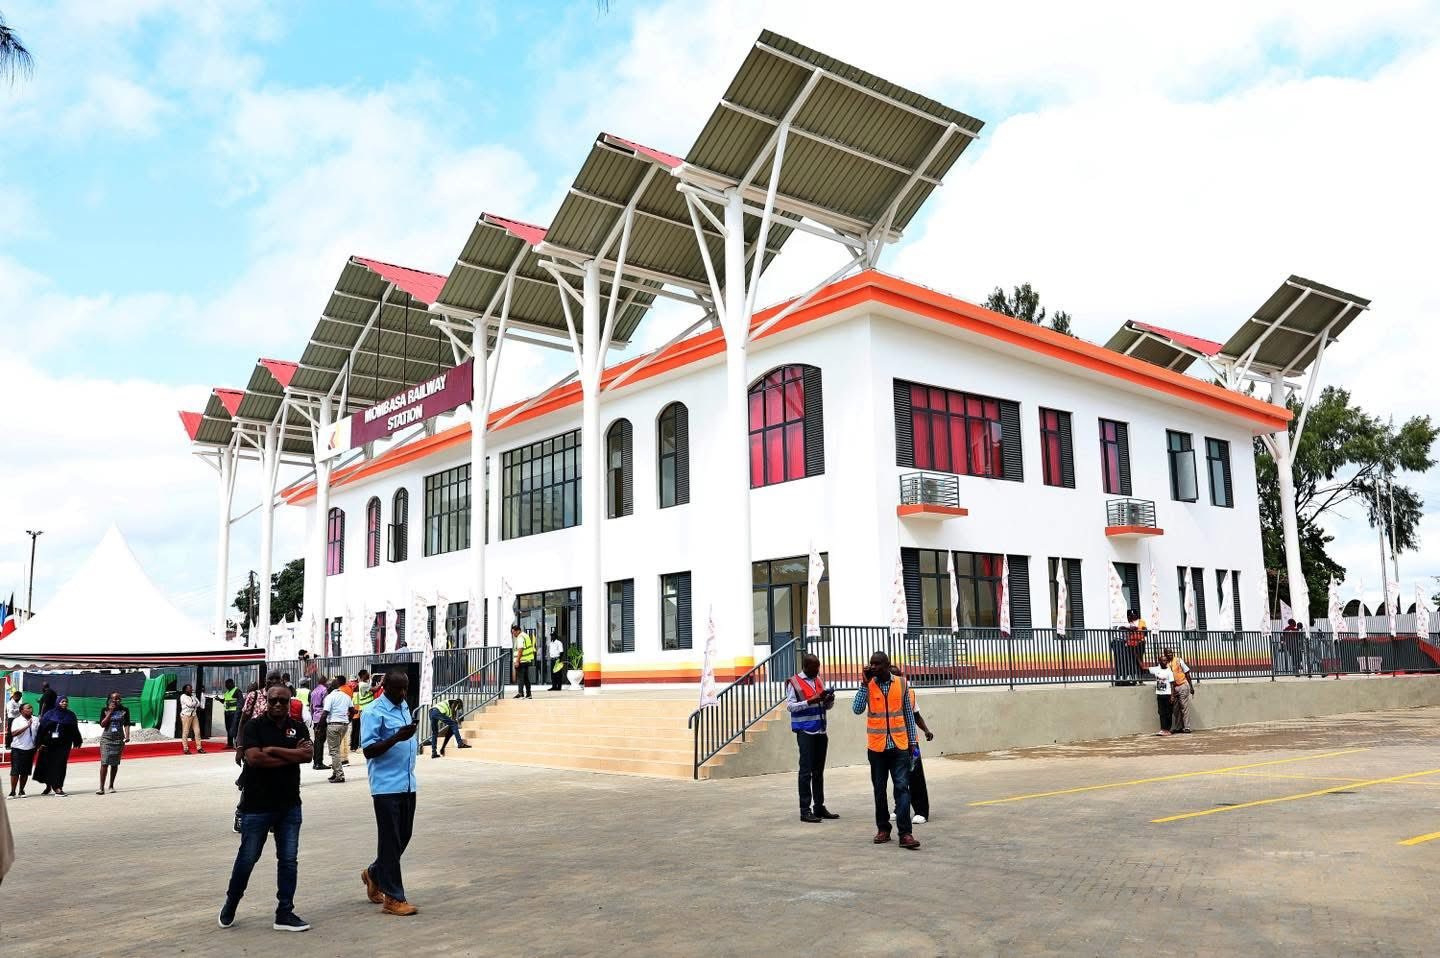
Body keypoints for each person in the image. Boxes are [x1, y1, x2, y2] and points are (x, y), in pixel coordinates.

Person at [218, 683, 313, 933]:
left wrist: (272, 750)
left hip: (290, 805)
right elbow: (254, 759)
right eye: (273, 701)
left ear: (290, 701)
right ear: (266, 701)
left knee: (289, 860)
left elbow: (307, 756)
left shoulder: (298, 726)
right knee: (247, 859)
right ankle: (232, 902)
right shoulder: (254, 726)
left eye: (283, 700)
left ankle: (285, 912)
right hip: (257, 806)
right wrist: (289, 754)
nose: (278, 705)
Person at [359, 668, 420, 916]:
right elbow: (368, 750)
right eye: (397, 689)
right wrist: (396, 738)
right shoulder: (373, 711)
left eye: (405, 688)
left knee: (403, 837)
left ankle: (374, 873)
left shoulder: (404, 706)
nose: (403, 693)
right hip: (385, 787)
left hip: (407, 784)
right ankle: (393, 898)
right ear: (385, 687)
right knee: (390, 841)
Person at [851, 652, 920, 850]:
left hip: (899, 745)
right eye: (871, 664)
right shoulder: (868, 684)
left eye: (877, 664)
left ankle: (905, 833)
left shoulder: (901, 683)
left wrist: (913, 742)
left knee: (902, 789)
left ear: (887, 665)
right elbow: (856, 709)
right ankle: (883, 829)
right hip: (877, 747)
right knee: (879, 790)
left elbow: (908, 712)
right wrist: (864, 685)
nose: (873, 667)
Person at [785, 652, 838, 823]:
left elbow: (826, 706)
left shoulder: (818, 680)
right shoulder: (794, 683)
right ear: (806, 667)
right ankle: (805, 810)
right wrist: (810, 701)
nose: (817, 671)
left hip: (821, 731)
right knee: (805, 771)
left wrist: (829, 700)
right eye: (814, 668)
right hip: (805, 731)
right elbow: (790, 707)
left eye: (818, 668)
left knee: (818, 771)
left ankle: (819, 806)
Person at [893, 674, 936, 825]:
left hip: (911, 743)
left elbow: (916, 716)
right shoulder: (884, 692)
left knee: (915, 776)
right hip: (893, 742)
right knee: (898, 777)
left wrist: (926, 730)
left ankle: (921, 811)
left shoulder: (909, 693)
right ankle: (900, 808)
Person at [33, 695, 83, 796]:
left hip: (64, 745)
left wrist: (77, 740)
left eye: (66, 701)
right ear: (57, 702)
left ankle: (58, 787)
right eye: (62, 701)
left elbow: (74, 729)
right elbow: (42, 729)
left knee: (60, 765)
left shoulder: (70, 715)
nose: (64, 703)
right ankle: (48, 786)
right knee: (47, 765)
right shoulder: (49, 714)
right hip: (49, 744)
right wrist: (39, 743)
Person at [96, 692, 132, 794]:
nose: (116, 701)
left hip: (118, 739)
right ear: (109, 700)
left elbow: (127, 724)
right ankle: (101, 788)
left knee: (115, 763)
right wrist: (110, 712)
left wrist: (127, 736)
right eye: (114, 699)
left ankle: (111, 785)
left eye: (118, 699)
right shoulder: (105, 710)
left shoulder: (124, 710)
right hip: (107, 739)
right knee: (105, 762)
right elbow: (102, 724)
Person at [323, 677, 352, 783]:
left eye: (328, 686)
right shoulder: (346, 696)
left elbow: (325, 712)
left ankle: (339, 775)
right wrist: (348, 721)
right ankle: (335, 773)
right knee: (336, 750)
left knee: (334, 751)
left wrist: (318, 727)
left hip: (333, 725)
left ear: (331, 687)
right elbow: (353, 710)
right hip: (344, 725)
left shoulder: (330, 697)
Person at [8, 703, 37, 798]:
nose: (30, 709)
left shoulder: (36, 719)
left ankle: (21, 791)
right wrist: (27, 726)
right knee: (15, 771)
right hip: (17, 749)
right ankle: (12, 792)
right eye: (28, 708)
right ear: (22, 711)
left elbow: (39, 732)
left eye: (31, 707)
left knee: (25, 772)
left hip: (30, 749)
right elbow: (13, 733)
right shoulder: (17, 720)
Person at [1145, 655, 1176, 736]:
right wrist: (1137, 656)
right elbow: (1143, 668)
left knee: (1168, 713)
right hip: (1159, 694)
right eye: (1163, 660)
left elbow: (1172, 684)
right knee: (1161, 712)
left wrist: (1172, 696)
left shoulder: (1169, 671)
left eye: (1166, 660)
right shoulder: (1156, 670)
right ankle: (1163, 729)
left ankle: (1168, 729)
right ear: (1160, 661)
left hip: (1168, 694)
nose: (1164, 662)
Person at [1166, 648, 1195, 734]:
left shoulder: (1178, 660)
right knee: (1175, 709)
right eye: (1167, 653)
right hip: (1173, 688)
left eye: (1170, 653)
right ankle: (1178, 727)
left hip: (1182, 685)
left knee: (1184, 707)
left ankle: (1187, 727)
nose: (1169, 654)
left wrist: (1191, 686)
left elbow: (1187, 673)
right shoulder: (1165, 663)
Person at [309, 677, 329, 771]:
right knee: (321, 740)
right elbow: (326, 706)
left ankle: (315, 762)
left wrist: (313, 717)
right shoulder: (324, 690)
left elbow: (311, 707)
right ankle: (319, 763)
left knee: (317, 740)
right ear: (324, 682)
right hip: (322, 718)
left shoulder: (314, 691)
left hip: (315, 718)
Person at [179, 683, 205, 754]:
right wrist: (195, 703)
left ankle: (199, 748)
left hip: (194, 715)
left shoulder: (193, 696)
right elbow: (190, 705)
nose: (191, 689)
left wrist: (194, 703)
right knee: (186, 732)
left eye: (191, 688)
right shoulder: (183, 696)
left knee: (197, 731)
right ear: (185, 690)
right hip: (186, 716)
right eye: (189, 688)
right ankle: (185, 749)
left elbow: (199, 703)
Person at [351, 670, 374, 750]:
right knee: (358, 729)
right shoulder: (360, 687)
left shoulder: (355, 690)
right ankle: (356, 745)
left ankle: (354, 746)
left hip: (357, 711)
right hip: (358, 711)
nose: (353, 684)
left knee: (355, 730)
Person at [511, 624, 535, 699]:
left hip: (521, 661)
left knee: (520, 678)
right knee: (525, 678)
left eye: (513, 632)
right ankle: (529, 694)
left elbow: (520, 650)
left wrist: (517, 661)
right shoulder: (525, 635)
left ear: (518, 631)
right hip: (526, 660)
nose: (513, 634)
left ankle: (520, 693)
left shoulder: (520, 637)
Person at [221, 678, 241, 749]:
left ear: (232, 684)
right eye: (225, 684)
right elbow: (225, 701)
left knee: (234, 728)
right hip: (227, 713)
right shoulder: (227, 692)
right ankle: (230, 744)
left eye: (227, 684)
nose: (226, 686)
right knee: (228, 728)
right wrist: (220, 700)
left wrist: (238, 712)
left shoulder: (237, 691)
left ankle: (237, 744)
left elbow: (240, 702)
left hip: (234, 713)